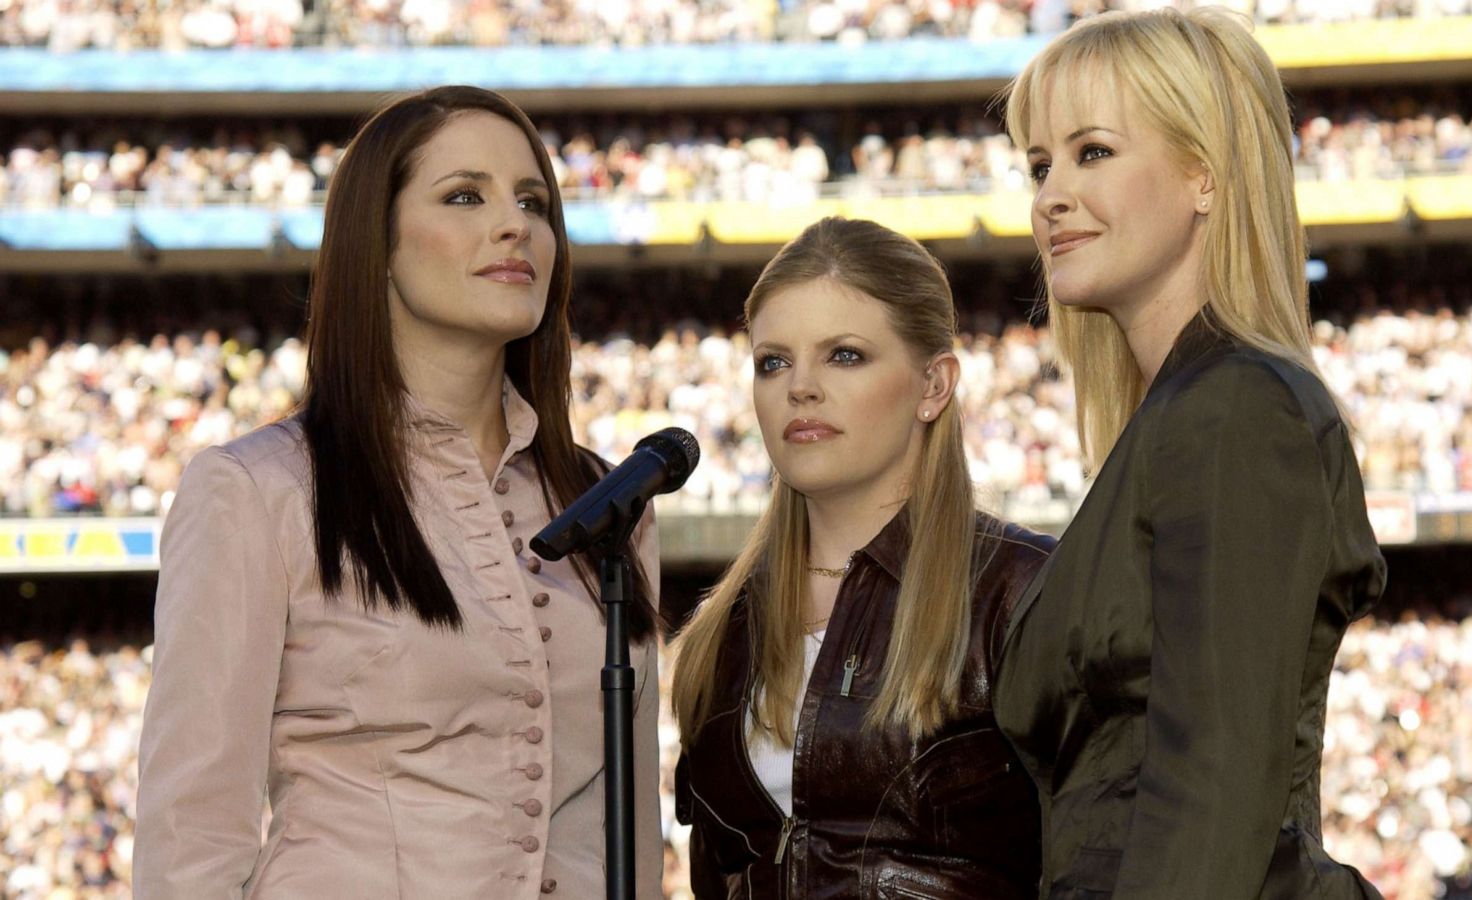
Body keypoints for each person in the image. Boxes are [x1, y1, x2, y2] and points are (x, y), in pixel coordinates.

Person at [134, 86, 664, 899]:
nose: (514, 223)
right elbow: (191, 840)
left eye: (533, 201)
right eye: (464, 196)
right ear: (375, 243)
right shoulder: (256, 491)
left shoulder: (604, 497)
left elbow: (625, 827)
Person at [992, 8, 1386, 899]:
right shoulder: (1179, 417)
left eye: (1092, 152)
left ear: (1204, 175)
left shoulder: (1235, 410)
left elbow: (1214, 777)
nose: (1050, 194)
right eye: (1039, 165)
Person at [669, 216, 1054, 898]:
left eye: (844, 354)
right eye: (773, 361)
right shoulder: (720, 634)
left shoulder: (1024, 592)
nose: (800, 387)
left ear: (934, 386)